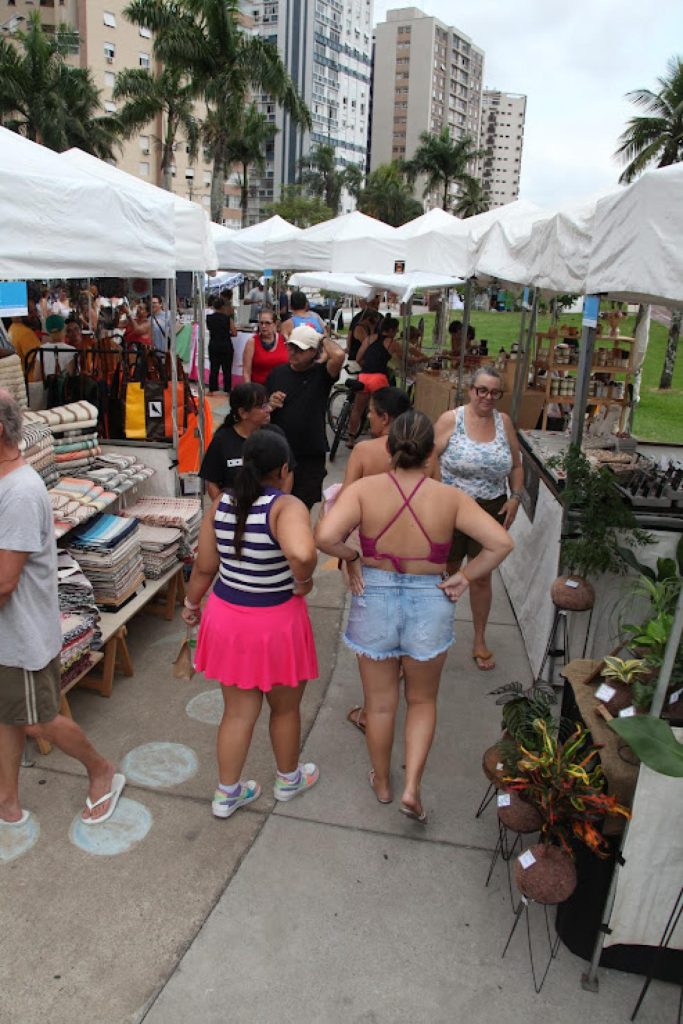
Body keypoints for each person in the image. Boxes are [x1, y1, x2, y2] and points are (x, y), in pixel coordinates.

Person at [316, 410, 513, 820]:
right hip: (430, 598)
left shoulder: (365, 491)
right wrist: (463, 577)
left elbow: (324, 537)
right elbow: (500, 542)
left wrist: (352, 555)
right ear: (430, 454)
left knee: (380, 703)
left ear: (390, 448)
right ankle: (412, 786)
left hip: (376, 594)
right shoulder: (450, 497)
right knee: (422, 700)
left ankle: (384, 782)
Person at [0, 391, 125, 826]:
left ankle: (101, 770)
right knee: (9, 715)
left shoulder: (18, 492)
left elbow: (4, 581)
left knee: (37, 720)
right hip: (11, 633)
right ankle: (7, 802)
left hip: (22, 634)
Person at [182, 430, 320, 819]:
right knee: (285, 709)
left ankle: (227, 794)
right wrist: (303, 579)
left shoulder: (221, 504)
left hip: (228, 616)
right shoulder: (285, 506)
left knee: (238, 712)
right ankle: (288, 780)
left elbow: (205, 566)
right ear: (282, 470)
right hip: (275, 623)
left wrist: (192, 603)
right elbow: (303, 552)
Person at [434, 364, 524, 671]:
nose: (487, 397)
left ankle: (480, 638)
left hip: (490, 507)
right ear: (470, 390)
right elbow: (427, 459)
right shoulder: (451, 419)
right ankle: (434, 635)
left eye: (494, 392)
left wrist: (515, 497)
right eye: (481, 390)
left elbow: (516, 464)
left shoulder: (504, 422)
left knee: (482, 576)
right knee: (446, 572)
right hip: (451, 508)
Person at [267, 324, 345, 509]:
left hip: (309, 454)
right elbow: (261, 407)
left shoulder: (322, 374)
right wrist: (270, 403)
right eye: (291, 346)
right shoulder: (278, 372)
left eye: (300, 349)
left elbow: (339, 355)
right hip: (280, 452)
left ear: (313, 352)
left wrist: (322, 338)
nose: (293, 352)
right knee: (275, 505)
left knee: (302, 506)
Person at [199, 382, 271, 499]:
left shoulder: (274, 435)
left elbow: (287, 474)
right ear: (243, 413)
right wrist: (224, 510)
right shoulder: (221, 440)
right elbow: (212, 482)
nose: (269, 409)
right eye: (262, 406)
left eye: (267, 404)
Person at [242, 310, 288, 385]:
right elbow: (246, 372)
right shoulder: (252, 342)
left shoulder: (284, 340)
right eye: (261, 323)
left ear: (275, 324)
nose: (263, 326)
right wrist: (249, 392)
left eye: (267, 323)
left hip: (281, 388)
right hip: (259, 390)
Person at [206, 297, 234, 396]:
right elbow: (234, 332)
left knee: (214, 368)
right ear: (223, 307)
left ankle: (211, 390)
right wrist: (227, 333)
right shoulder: (227, 318)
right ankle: (228, 390)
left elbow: (210, 329)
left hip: (213, 345)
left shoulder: (209, 318)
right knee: (227, 369)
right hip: (226, 345)